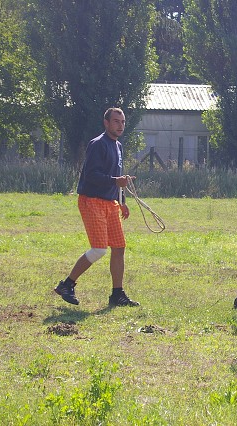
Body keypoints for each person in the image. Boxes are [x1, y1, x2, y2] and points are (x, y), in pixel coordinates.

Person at [54, 107, 139, 307]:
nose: (120, 125)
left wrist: (123, 202)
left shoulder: (118, 146)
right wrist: (115, 181)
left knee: (119, 248)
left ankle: (117, 295)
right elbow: (91, 176)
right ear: (106, 123)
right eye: (116, 121)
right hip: (91, 201)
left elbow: (117, 179)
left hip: (111, 203)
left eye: (123, 122)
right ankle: (67, 284)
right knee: (99, 249)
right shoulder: (97, 144)